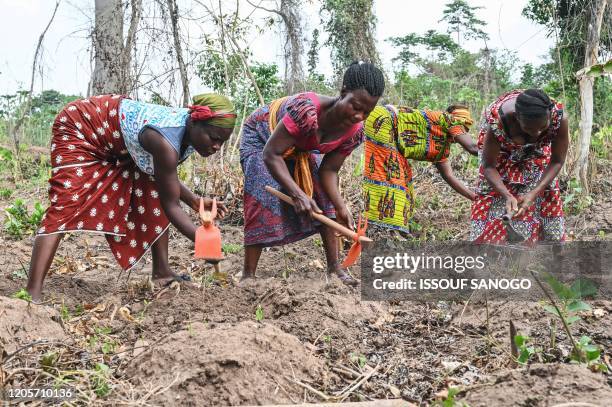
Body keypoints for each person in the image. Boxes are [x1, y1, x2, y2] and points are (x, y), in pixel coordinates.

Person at [26, 93, 237, 302]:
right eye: (214, 138)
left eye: (222, 142)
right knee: (66, 204)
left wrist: (195, 201)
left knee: (154, 190)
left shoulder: (187, 134)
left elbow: (166, 178)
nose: (217, 147)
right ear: (194, 122)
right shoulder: (165, 140)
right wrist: (205, 243)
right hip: (82, 126)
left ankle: (162, 272)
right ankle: (32, 292)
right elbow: (171, 205)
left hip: (116, 141)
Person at [240, 61, 385, 286]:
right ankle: (248, 275)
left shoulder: (354, 132)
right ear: (343, 92)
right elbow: (272, 153)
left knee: (324, 198)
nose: (359, 116)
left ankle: (335, 269)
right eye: (356, 107)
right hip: (262, 138)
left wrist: (341, 206)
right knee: (262, 194)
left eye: (367, 112)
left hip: (300, 146)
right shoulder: (306, 111)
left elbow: (329, 170)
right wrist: (297, 194)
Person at [470, 89, 569, 243]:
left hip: (535, 154)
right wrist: (506, 195)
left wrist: (534, 192)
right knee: (490, 193)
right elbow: (488, 166)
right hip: (501, 150)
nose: (536, 134)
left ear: (550, 116)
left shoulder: (559, 118)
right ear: (517, 118)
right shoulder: (499, 121)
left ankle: (545, 248)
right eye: (528, 129)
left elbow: (556, 160)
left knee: (546, 190)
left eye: (542, 128)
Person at [363, 104, 477, 231]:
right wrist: (498, 146)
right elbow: (473, 148)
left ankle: (388, 227)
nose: (464, 132)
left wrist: (475, 198)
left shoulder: (441, 149)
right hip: (383, 119)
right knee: (391, 177)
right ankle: (381, 228)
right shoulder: (449, 120)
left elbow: (449, 176)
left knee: (404, 182)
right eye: (464, 129)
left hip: (388, 128)